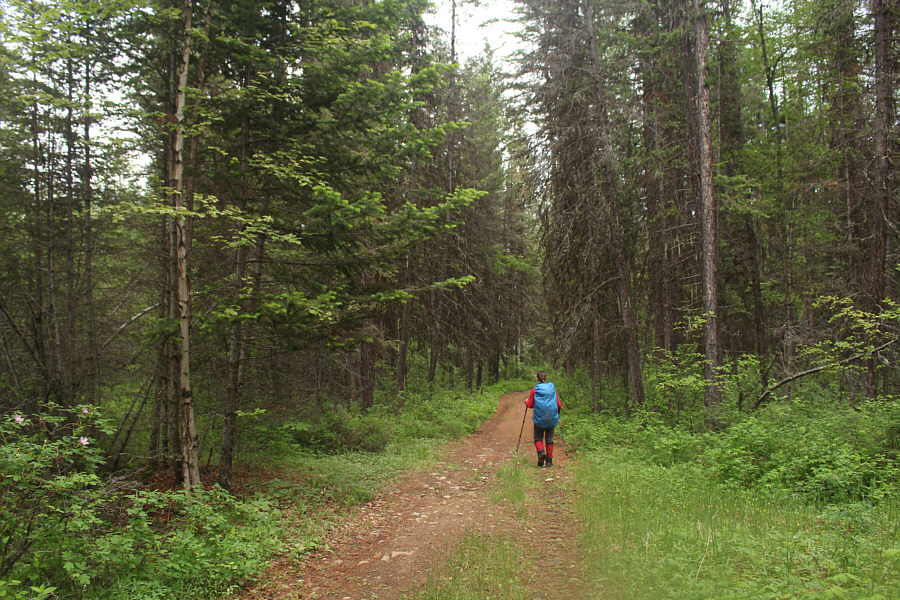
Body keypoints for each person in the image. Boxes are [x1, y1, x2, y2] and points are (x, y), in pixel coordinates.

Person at [525, 371, 561, 467]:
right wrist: (557, 414)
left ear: (537, 379)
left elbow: (531, 404)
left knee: (538, 437)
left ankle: (541, 453)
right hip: (551, 418)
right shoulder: (552, 389)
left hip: (539, 419)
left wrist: (526, 402)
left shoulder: (535, 390)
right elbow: (559, 404)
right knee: (549, 439)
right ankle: (549, 461)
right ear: (546, 378)